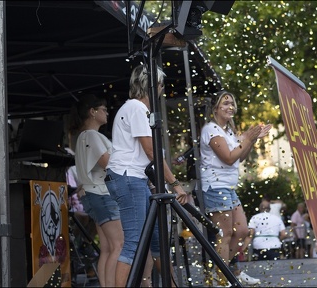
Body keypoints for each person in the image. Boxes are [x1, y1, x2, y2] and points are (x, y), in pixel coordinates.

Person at [105, 64, 188, 287]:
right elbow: (150, 152)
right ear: (152, 85)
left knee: (158, 242)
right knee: (133, 243)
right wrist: (175, 183)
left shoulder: (135, 109)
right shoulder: (137, 108)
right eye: (160, 85)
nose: (161, 89)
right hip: (128, 177)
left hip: (135, 178)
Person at [200, 90, 272, 286]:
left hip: (228, 187)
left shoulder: (228, 131)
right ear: (215, 108)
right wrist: (247, 138)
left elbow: (240, 157)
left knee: (241, 231)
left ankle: (223, 271)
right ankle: (222, 278)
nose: (230, 106)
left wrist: (253, 138)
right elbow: (228, 157)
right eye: (225, 103)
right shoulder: (211, 130)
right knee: (225, 234)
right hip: (215, 186)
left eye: (232, 103)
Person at [69, 94, 124, 287]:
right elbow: (107, 162)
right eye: (104, 109)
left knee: (108, 248)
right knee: (119, 245)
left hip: (94, 194)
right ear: (93, 112)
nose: (107, 113)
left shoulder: (84, 137)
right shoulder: (91, 135)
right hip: (101, 194)